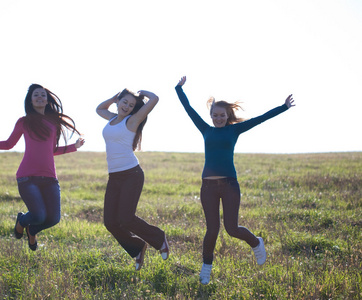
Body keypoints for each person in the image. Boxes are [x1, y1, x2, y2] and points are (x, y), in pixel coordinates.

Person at [175, 76, 295, 284]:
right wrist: (179, 89)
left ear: (228, 115)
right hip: (208, 187)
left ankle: (256, 243)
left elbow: (260, 119)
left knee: (232, 228)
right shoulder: (206, 130)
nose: (218, 118)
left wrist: (283, 107)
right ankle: (206, 266)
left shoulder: (234, 130)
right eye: (215, 115)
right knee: (212, 230)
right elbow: (189, 110)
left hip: (230, 185)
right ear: (211, 116)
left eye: (222, 115)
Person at [0, 83, 84, 251]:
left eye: (43, 95)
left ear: (47, 101)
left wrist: (74, 146)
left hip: (49, 179)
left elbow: (52, 150)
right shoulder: (24, 122)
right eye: (36, 95)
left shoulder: (53, 123)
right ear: (30, 101)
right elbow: (9, 144)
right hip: (27, 178)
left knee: (53, 218)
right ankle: (22, 220)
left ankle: (32, 230)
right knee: (38, 215)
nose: (40, 97)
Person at [96, 88, 169, 270]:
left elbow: (155, 99)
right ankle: (136, 248)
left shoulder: (133, 121)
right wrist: (113, 98)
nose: (127, 107)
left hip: (131, 174)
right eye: (124, 102)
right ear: (119, 101)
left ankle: (159, 239)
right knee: (110, 222)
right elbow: (99, 109)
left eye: (131, 105)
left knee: (126, 218)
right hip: (114, 176)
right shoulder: (112, 118)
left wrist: (142, 92)